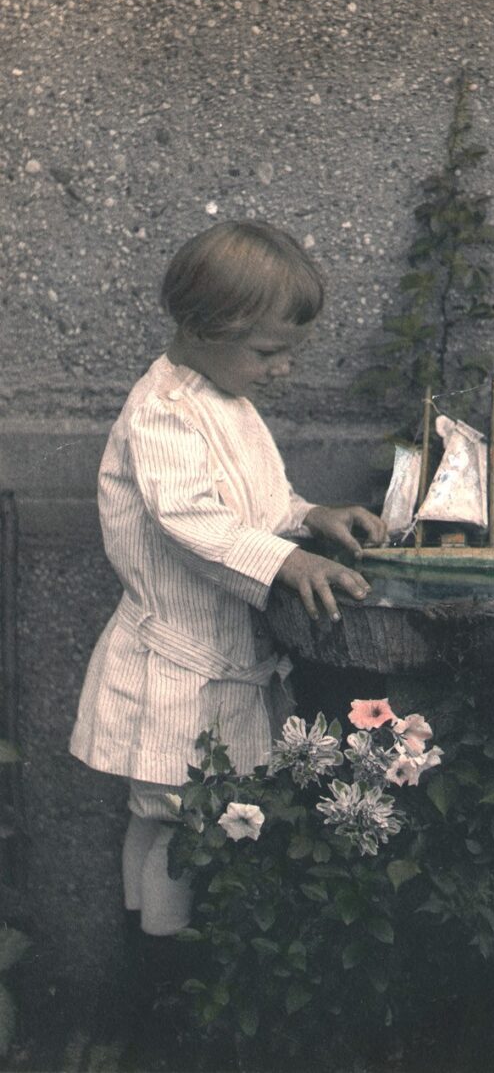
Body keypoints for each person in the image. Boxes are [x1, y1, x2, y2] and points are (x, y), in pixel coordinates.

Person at [70, 219, 387, 943]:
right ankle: (161, 956)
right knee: (178, 818)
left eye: (290, 353)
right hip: (179, 664)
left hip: (222, 658)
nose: (283, 370)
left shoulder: (228, 404)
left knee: (180, 816)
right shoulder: (163, 415)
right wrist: (288, 561)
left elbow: (257, 506)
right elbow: (194, 523)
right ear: (205, 328)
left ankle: (152, 942)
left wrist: (310, 516)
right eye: (269, 352)